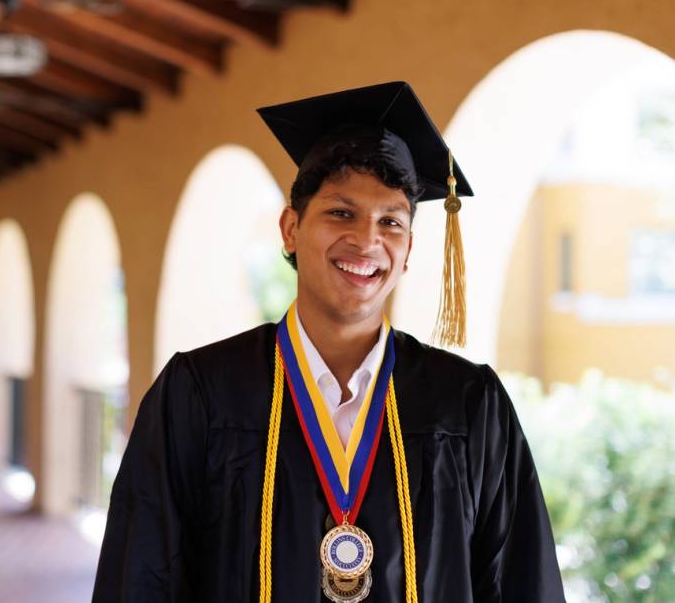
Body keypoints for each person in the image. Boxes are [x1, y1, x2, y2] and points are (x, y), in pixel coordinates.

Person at [92, 82, 565, 602]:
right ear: (290, 228)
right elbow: (141, 578)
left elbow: (521, 580)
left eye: (391, 222)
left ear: (407, 252)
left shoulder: (468, 403)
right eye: (341, 213)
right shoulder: (201, 393)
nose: (367, 241)